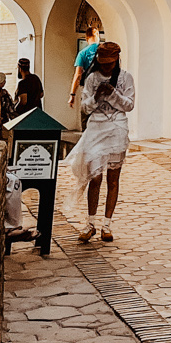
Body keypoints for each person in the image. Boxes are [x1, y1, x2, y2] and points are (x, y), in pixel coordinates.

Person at [64, 41, 134, 243]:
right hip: (96, 129)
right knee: (94, 176)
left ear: (116, 61)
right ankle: (90, 223)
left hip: (117, 129)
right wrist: (97, 96)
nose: (106, 67)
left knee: (113, 178)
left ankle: (107, 225)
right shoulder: (92, 77)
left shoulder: (125, 78)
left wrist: (113, 94)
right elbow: (85, 107)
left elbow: (129, 105)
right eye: (102, 63)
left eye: (109, 64)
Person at [67, 26, 103, 117]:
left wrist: (72, 94)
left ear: (86, 38)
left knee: (87, 118)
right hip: (104, 90)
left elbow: (78, 75)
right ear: (98, 35)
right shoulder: (105, 51)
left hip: (88, 91)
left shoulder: (82, 53)